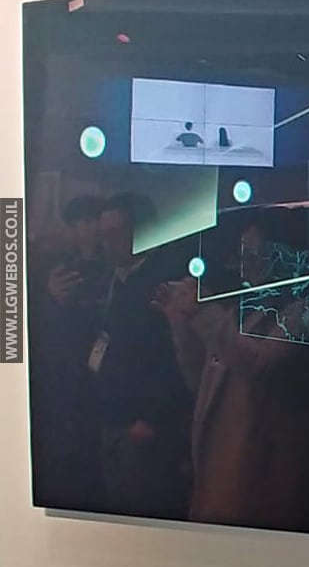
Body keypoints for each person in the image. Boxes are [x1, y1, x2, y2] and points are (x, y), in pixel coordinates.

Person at [156, 222, 309, 531]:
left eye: (255, 254)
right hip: (220, 486)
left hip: (264, 491)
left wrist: (203, 314)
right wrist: (180, 323)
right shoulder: (242, 309)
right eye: (243, 254)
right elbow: (199, 382)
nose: (244, 264)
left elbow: (260, 366)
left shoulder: (307, 311)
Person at [90, 193, 191, 518]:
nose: (106, 243)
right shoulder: (108, 278)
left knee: (145, 514)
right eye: (102, 234)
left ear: (142, 232)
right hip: (110, 419)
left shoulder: (166, 283)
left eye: (114, 233)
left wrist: (151, 418)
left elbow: (176, 357)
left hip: (146, 429)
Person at [29, 195, 110, 508]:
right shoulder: (59, 267)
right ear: (73, 227)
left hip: (108, 376)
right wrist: (53, 298)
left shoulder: (113, 264)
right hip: (66, 373)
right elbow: (37, 324)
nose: (91, 228)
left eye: (95, 220)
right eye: (83, 222)